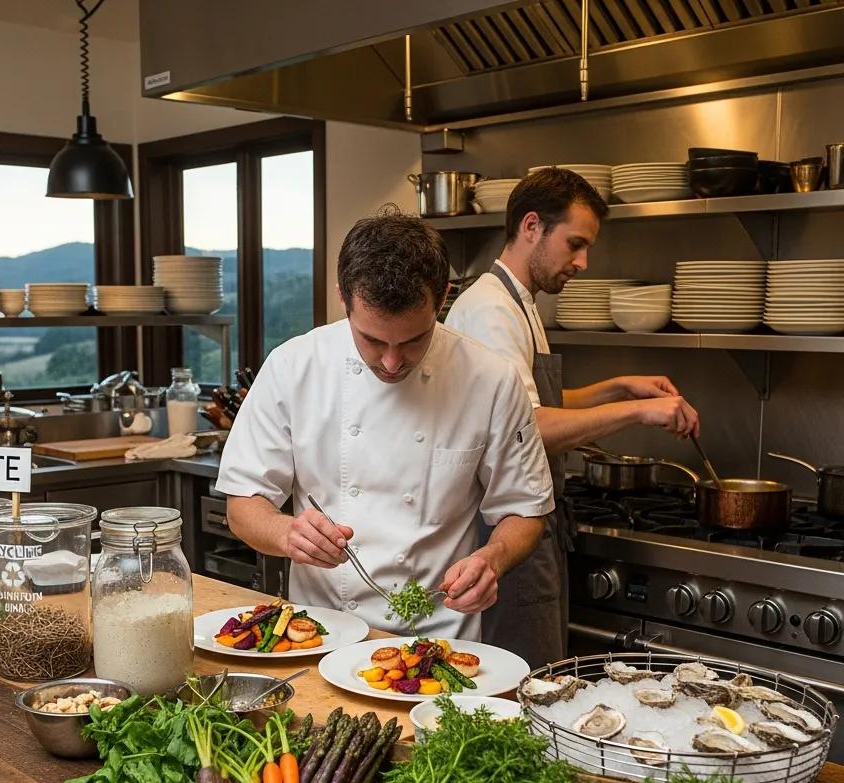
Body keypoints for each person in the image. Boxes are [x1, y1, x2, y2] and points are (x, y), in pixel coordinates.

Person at [217, 210, 555, 641]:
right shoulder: (292, 367)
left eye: (414, 340)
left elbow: (524, 510)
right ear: (343, 298)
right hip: (321, 633)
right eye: (373, 340)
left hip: (440, 637)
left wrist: (494, 557)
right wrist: (286, 533)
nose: (392, 362)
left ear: (442, 298)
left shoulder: (490, 379)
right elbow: (243, 504)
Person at [446, 167, 701, 668]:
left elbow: (532, 403)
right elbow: (530, 431)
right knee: (526, 682)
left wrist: (619, 386)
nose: (583, 262)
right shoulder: (490, 312)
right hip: (504, 528)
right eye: (575, 244)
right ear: (532, 226)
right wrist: (638, 410)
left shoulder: (518, 302)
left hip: (530, 521)